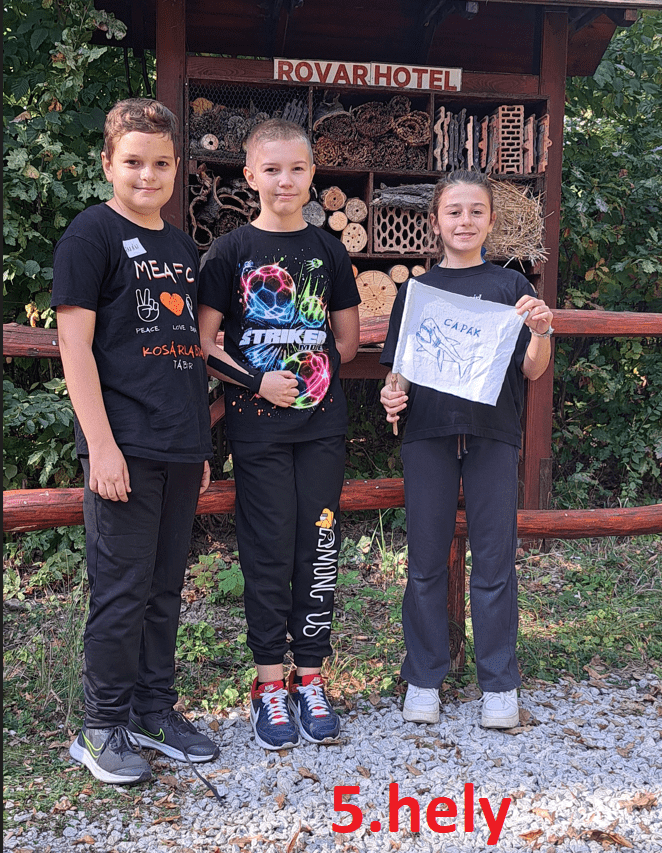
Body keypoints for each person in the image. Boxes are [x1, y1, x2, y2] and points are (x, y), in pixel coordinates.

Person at [52, 98, 218, 785]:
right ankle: (101, 726)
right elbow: (75, 347)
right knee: (120, 590)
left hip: (179, 444)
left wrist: (199, 446)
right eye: (133, 162)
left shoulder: (180, 247)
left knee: (164, 587)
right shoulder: (90, 235)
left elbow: (186, 352)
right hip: (122, 445)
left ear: (176, 168)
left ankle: (152, 709)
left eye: (160, 163)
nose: (147, 175)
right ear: (107, 165)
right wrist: (101, 444)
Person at [198, 119, 360, 750]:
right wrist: (258, 381)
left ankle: (310, 678)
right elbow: (204, 343)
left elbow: (346, 340)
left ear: (313, 176)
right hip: (258, 429)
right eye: (271, 169)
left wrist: (312, 372)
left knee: (318, 547)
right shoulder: (231, 251)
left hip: (321, 427)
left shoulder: (329, 251)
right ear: (250, 176)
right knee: (266, 550)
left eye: (296, 169)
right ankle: (269, 684)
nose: (284, 180)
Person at [379, 170, 553, 729]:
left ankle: (499, 684)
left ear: (492, 221)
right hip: (428, 435)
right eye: (454, 211)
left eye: (476, 211)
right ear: (435, 221)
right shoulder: (416, 292)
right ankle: (423, 678)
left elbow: (532, 369)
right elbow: (400, 372)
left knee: (495, 562)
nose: (465, 221)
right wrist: (390, 394)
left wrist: (542, 330)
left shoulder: (511, 287)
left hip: (493, 435)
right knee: (425, 563)